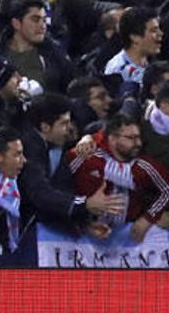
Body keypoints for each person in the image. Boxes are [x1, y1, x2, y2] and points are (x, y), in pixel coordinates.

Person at [18, 93, 123, 234]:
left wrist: (82, 224)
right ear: (45, 127)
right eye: (64, 123)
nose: (70, 129)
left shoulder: (51, 144)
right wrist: (86, 204)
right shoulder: (29, 149)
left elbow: (59, 190)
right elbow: (40, 195)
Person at [67, 113, 169, 242]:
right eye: (131, 138)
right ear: (112, 139)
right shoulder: (85, 157)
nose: (138, 143)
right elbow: (60, 191)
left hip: (130, 240)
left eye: (139, 137)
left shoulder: (144, 166)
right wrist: (82, 222)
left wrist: (147, 218)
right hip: (81, 236)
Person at [0, 0, 75, 93]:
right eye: (35, 20)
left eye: (44, 20)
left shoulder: (56, 55)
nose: (42, 26)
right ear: (16, 23)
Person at [104, 6, 163, 92]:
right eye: (153, 30)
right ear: (134, 37)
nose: (160, 33)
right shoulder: (118, 70)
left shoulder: (152, 63)